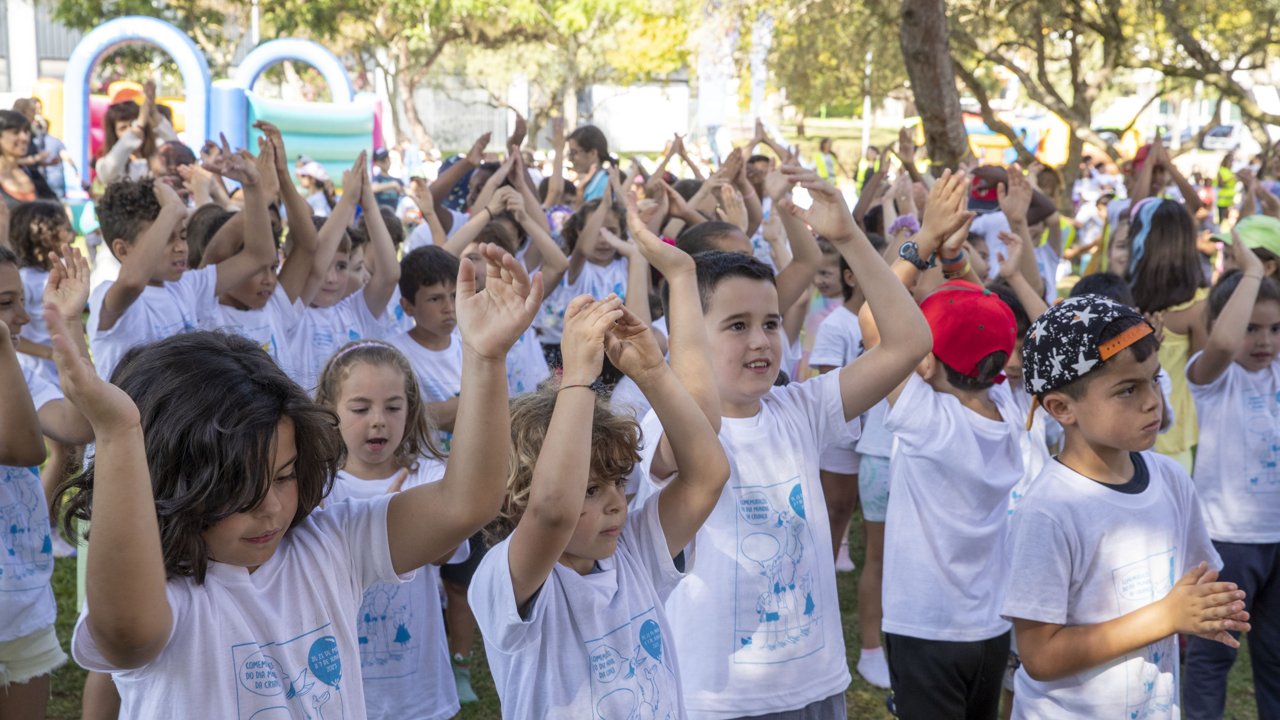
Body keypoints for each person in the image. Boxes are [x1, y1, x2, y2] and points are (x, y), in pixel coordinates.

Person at [56, 238, 543, 718]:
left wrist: (484, 358)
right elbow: (126, 633)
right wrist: (120, 436)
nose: (271, 507)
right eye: (239, 490)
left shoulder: (332, 542)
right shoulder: (160, 592)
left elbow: (468, 502)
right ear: (171, 482)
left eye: (285, 475)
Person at [634, 167, 934, 719]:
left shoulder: (800, 408)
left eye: (771, 323)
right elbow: (698, 428)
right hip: (717, 698)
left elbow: (909, 341)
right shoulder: (663, 429)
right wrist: (678, 280)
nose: (761, 341)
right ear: (688, 335)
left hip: (815, 685)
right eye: (736, 325)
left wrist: (847, 239)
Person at [470, 269, 729, 718]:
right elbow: (552, 512)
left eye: (617, 483)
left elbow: (707, 476)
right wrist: (579, 377)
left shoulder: (631, 553)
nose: (616, 502)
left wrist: (652, 371)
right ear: (517, 502)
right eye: (590, 489)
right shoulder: (507, 578)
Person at [1003, 295, 1245, 717]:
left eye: (1154, 379)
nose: (1153, 400)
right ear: (1061, 408)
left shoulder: (1170, 479)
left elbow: (1194, 579)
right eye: (1128, 389)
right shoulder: (1049, 511)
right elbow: (1039, 656)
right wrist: (1166, 617)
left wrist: (1211, 607)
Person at [316, 340, 461, 720]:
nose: (378, 420)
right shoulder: (315, 489)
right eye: (361, 408)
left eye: (393, 407)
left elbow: (446, 548)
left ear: (411, 410)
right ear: (330, 411)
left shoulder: (430, 476)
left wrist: (393, 514)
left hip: (418, 694)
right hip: (343, 692)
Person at [1183, 237, 1280, 719]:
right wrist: (1252, 275)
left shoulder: (1277, 370)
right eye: (1252, 328)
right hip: (1228, 539)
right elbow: (1223, 342)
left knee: (1276, 658)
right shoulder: (1212, 377)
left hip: (1276, 538)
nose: (1264, 341)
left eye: (1276, 329)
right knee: (1212, 654)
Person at [0, 244, 94, 720]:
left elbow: (80, 425)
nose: (21, 316)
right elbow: (24, 449)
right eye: (4, 304)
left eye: (21, 300)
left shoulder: (19, 372)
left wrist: (70, 324)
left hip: (23, 602)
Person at [86, 160, 276, 382]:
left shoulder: (186, 286)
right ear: (122, 249)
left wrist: (252, 187)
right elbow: (132, 281)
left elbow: (259, 256)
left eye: (183, 236)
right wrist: (171, 210)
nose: (180, 247)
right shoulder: (109, 296)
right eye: (167, 238)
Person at [289, 153, 400, 392]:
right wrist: (347, 201)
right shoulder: (288, 311)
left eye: (341, 267)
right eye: (324, 267)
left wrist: (368, 204)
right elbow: (314, 268)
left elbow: (389, 275)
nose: (330, 278)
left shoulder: (353, 312)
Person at [1125, 197, 1208, 473]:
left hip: (1124, 429)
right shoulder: (1198, 306)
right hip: (1175, 437)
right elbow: (1205, 378)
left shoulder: (1124, 299)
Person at [0, 111, 56, 208]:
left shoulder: (33, 175)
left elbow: (54, 207)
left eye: (26, 131)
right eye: (15, 132)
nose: (24, 138)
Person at [566, 125, 613, 202]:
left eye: (573, 152)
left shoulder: (604, 184)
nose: (570, 159)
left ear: (592, 153)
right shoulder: (593, 182)